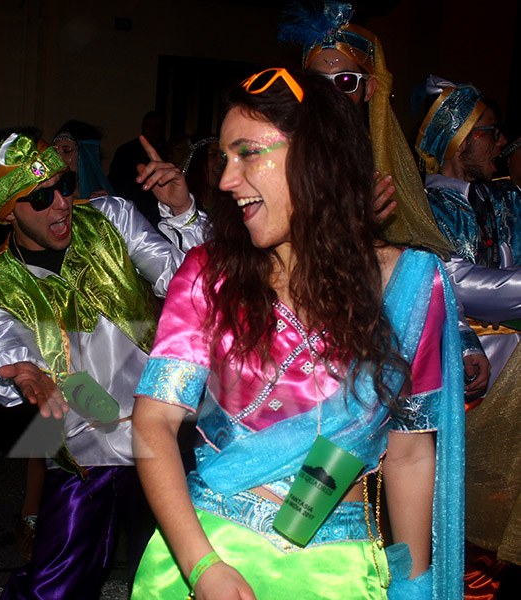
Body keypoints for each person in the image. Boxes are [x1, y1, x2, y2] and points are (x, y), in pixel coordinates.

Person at [131, 68, 464, 600]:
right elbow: (152, 424)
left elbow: (409, 455)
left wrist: (414, 586)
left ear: (317, 156)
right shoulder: (208, 276)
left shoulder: (407, 288)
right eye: (224, 157)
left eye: (248, 153)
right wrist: (202, 568)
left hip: (333, 572)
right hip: (206, 558)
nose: (224, 180)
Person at [0, 130, 206, 598]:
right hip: (84, 450)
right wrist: (23, 368)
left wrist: (183, 212)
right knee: (55, 586)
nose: (61, 204)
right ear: (8, 211)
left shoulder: (113, 217)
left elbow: (192, 285)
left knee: (174, 579)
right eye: (41, 197)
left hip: (162, 429)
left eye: (64, 186)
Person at [280, 1, 490, 402]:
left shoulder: (383, 165)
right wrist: (354, 227)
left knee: (384, 460)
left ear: (369, 88)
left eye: (345, 81)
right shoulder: (277, 156)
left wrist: (463, 338)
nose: (330, 95)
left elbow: (420, 261)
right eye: (317, 82)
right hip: (295, 349)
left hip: (377, 354)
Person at [416, 76, 521, 597]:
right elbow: (452, 282)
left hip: (513, 375)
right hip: (464, 373)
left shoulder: (506, 202)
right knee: (462, 511)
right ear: (458, 139)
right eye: (491, 133)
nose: (500, 143)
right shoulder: (428, 206)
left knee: (502, 514)